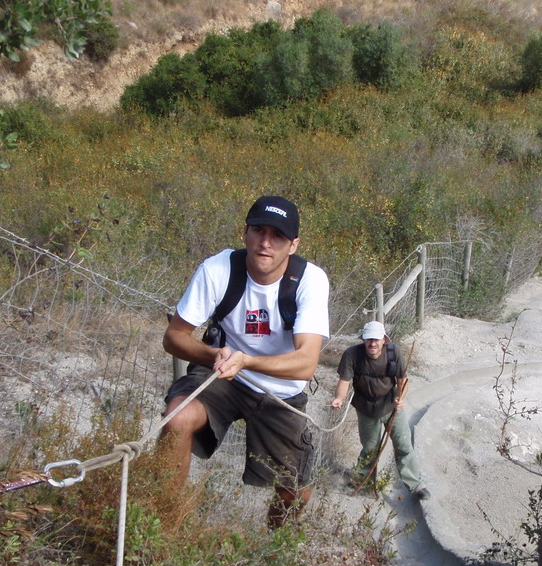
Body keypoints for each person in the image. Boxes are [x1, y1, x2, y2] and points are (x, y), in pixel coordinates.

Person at [159, 195, 330, 527]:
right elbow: (174, 337)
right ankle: (162, 525)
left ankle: (274, 542)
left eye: (278, 236)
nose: (265, 243)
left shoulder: (309, 280)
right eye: (258, 231)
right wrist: (213, 355)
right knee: (177, 418)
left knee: (294, 492)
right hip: (223, 374)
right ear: (245, 233)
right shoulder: (218, 269)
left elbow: (305, 363)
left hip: (281, 391)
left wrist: (247, 361)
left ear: (293, 245)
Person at [331, 321, 427, 499]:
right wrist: (339, 398)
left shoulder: (393, 352)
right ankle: (363, 482)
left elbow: (402, 380)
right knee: (370, 449)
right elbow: (344, 381)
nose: (372, 344)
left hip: (391, 407)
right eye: (368, 339)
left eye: (376, 339)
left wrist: (400, 398)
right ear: (363, 339)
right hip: (366, 409)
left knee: (404, 445)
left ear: (384, 340)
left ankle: (415, 485)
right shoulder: (352, 355)